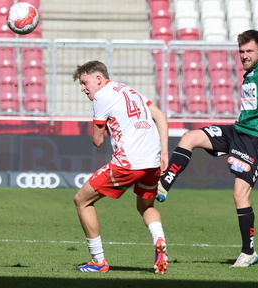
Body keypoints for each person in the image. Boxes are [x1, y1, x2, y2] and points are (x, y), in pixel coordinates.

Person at [156, 6, 258, 268]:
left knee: (240, 194)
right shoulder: (249, 73)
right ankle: (164, 183)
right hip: (238, 130)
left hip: (256, 140)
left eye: (249, 51)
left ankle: (248, 252)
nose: (245, 56)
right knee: (191, 136)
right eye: (241, 52)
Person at [72, 60, 169, 274]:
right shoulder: (130, 90)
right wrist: (164, 152)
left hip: (128, 163)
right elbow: (160, 115)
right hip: (152, 161)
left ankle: (98, 261)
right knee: (146, 207)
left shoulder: (100, 96)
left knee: (82, 200)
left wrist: (105, 126)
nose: (82, 88)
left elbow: (97, 141)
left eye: (84, 82)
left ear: (98, 79)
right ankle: (159, 239)